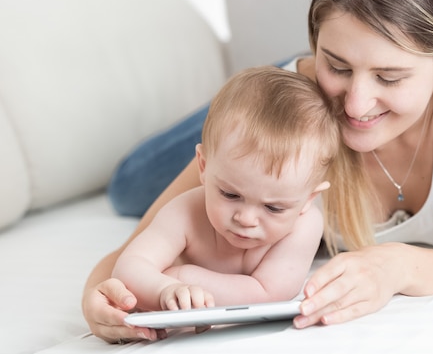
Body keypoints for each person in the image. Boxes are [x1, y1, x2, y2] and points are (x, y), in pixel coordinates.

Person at [82, 0, 433, 343]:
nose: (355, 105)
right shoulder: (291, 128)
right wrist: (98, 303)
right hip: (288, 104)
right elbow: (130, 257)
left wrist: (397, 267)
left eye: (389, 76)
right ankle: (292, 77)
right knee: (128, 186)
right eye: (339, 65)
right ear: (315, 45)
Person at [110, 66, 343, 316]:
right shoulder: (185, 212)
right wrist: (164, 289)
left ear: (309, 200)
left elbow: (268, 294)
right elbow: (129, 267)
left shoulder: (304, 226)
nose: (246, 219)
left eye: (273, 207)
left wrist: (182, 276)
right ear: (203, 165)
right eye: (230, 195)